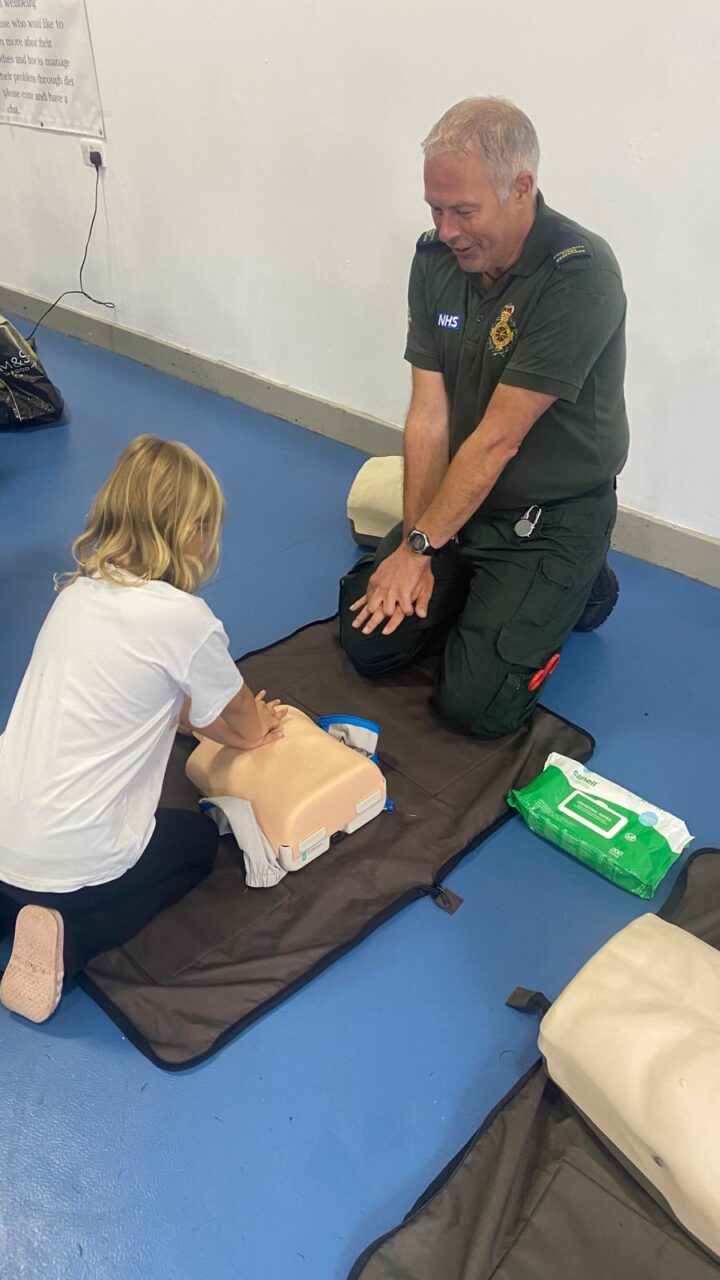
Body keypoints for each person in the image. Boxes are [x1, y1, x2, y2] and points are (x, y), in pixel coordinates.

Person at [340, 97, 628, 736]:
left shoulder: (579, 276)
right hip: (463, 499)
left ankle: (587, 584)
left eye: (463, 211)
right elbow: (429, 416)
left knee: (477, 707)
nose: (446, 229)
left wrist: (418, 552)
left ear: (521, 188)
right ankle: (479, 586)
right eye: (435, 209)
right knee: (368, 640)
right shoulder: (436, 261)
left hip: (548, 514)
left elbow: (498, 440)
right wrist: (419, 543)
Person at [0, 435, 286, 1024]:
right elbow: (240, 726)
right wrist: (262, 724)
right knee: (197, 846)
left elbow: (146, 698)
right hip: (74, 863)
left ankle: (15, 907)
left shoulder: (75, 592)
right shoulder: (186, 620)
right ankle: (67, 936)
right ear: (189, 534)